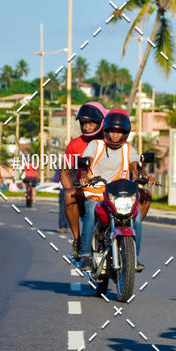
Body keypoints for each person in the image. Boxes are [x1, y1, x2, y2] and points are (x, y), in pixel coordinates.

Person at [78, 109, 155, 273]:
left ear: (125, 133)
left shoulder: (129, 149)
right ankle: (85, 254)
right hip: (97, 192)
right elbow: (87, 161)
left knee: (138, 216)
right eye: (112, 131)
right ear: (106, 130)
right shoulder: (95, 145)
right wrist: (84, 176)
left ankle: (134, 257)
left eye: (119, 132)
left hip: (119, 194)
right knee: (91, 208)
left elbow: (135, 167)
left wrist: (144, 177)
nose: (114, 135)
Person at [60, 101, 106, 259]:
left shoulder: (112, 141)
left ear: (101, 121)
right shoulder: (74, 145)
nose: (86, 127)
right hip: (86, 189)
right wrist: (70, 188)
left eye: (90, 123)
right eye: (83, 123)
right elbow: (64, 171)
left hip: (110, 190)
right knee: (68, 196)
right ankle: (77, 240)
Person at [54, 167, 69, 232]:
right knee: (71, 208)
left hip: (63, 189)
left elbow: (56, 179)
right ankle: (69, 226)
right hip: (72, 189)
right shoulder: (75, 165)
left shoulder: (60, 167)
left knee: (62, 209)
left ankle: (62, 227)